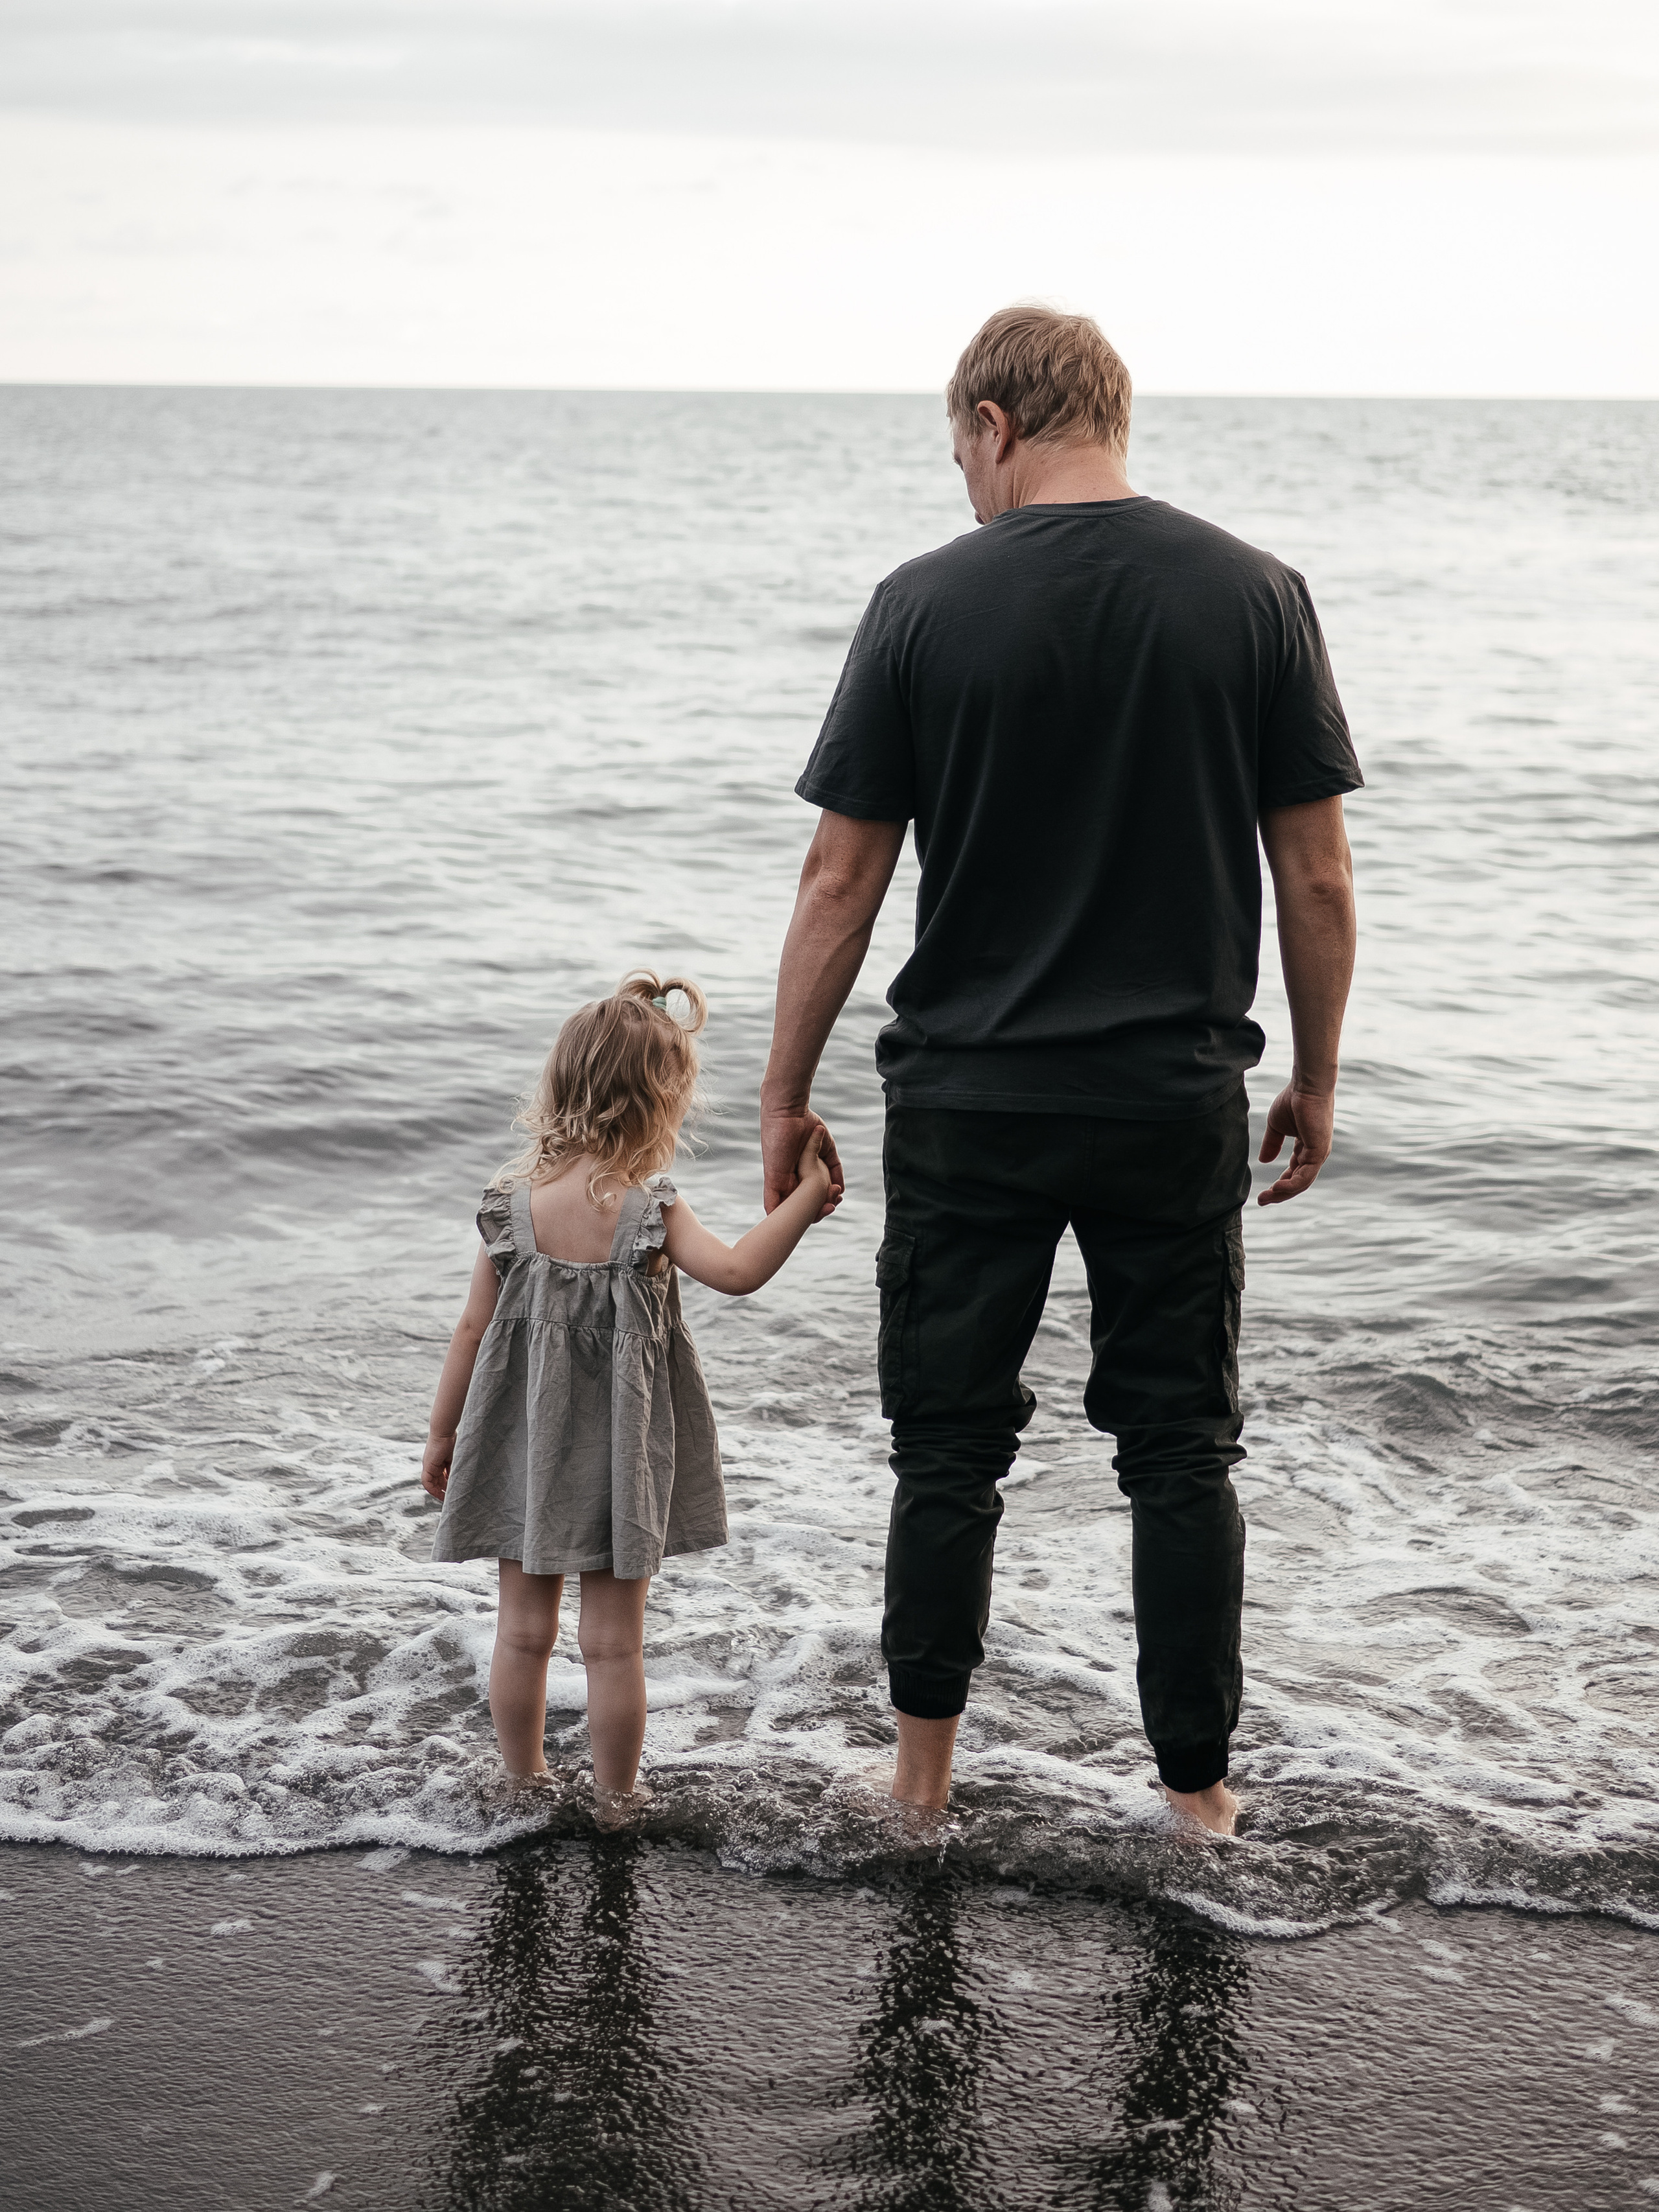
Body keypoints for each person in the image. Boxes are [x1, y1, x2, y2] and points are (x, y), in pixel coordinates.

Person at [761, 305, 1362, 1835]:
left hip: (967, 1099)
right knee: (1177, 1449)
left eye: (954, 446)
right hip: (1169, 1099)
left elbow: (839, 879)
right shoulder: (1253, 594)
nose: (959, 475)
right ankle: (1198, 1799)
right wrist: (1314, 1071)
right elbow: (1314, 877)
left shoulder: (918, 603)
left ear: (989, 419)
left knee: (947, 1445)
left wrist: (778, 1092)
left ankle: (918, 1788)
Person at [422, 970, 836, 1802]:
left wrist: (442, 1434)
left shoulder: (510, 1205)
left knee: (524, 1632)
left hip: (521, 1440)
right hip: (620, 1445)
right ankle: (617, 1802)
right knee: (614, 1645)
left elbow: (471, 1329)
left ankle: (522, 1781)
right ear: (660, 1101)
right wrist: (811, 1196)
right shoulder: (650, 1208)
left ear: (564, 1082)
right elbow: (738, 1271)